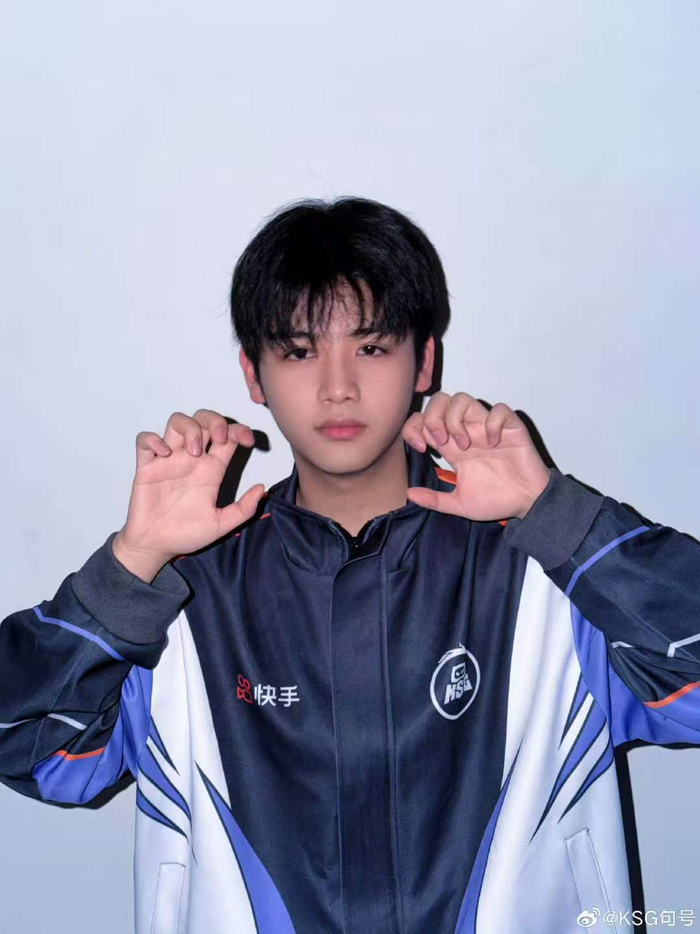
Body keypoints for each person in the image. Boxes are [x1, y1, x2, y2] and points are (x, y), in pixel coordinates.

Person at [0, 196, 698, 934]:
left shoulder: (544, 569)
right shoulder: (179, 592)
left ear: (423, 360)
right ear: (253, 374)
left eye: (372, 347)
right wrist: (133, 562)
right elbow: (29, 746)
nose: (338, 387)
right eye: (300, 352)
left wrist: (555, 513)